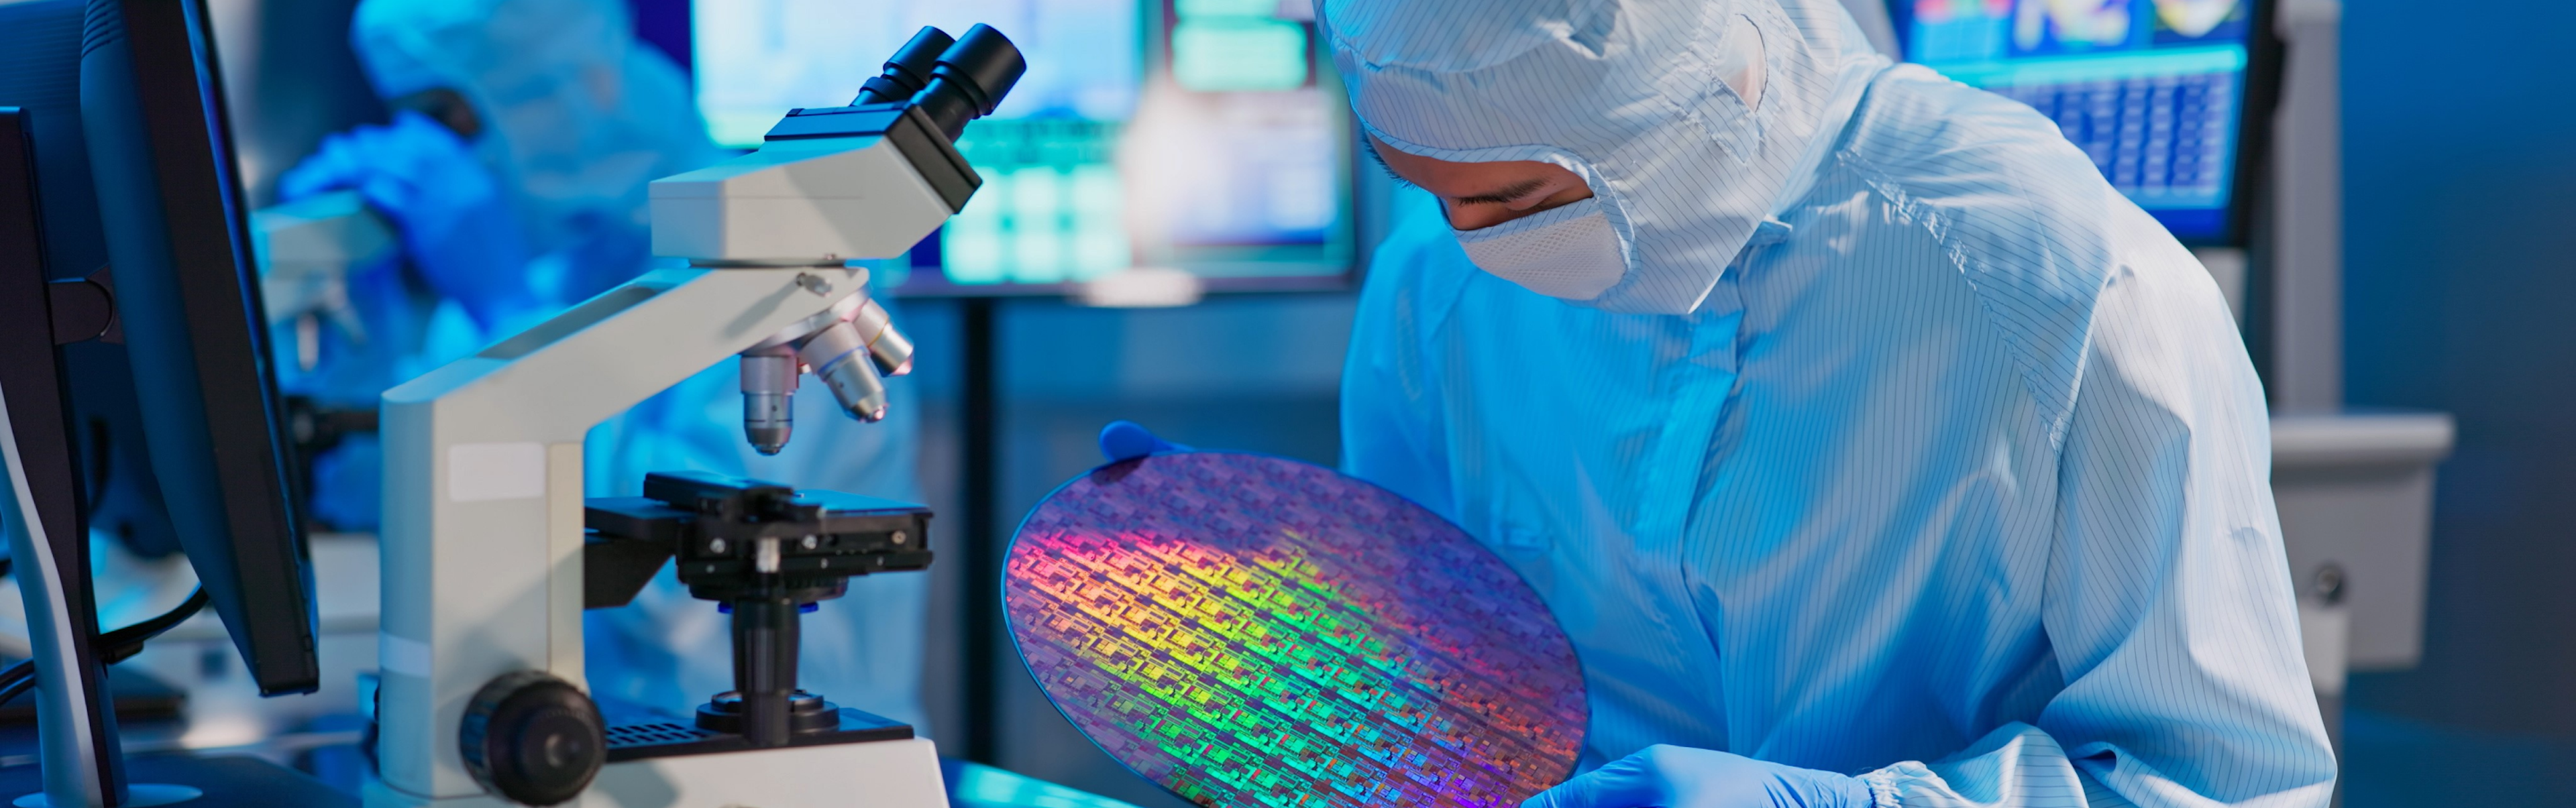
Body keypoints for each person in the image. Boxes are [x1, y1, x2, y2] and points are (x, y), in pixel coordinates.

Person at [1322, 1, 2336, 806]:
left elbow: (2221, 785)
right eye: (1423, 183)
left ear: (1675, 104)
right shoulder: (1435, 293)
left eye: (1516, 203)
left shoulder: (2065, 292)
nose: (1469, 235)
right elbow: (1433, 682)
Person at [272, 0, 932, 730]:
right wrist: (376, 319)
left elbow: (676, 591)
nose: (436, 157)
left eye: (450, 117)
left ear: (576, 88)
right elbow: (382, 502)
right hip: (581, 727)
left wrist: (506, 311)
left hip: (773, 739)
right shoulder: (544, 271)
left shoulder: (776, 263)